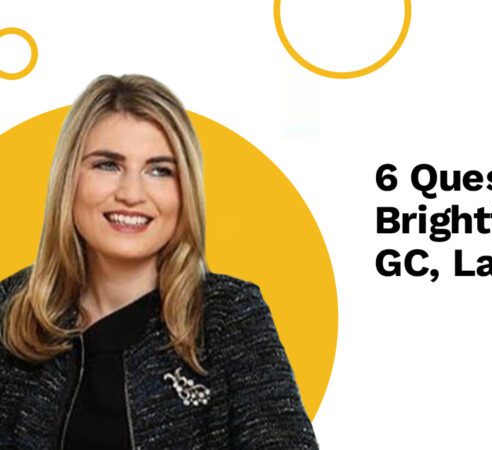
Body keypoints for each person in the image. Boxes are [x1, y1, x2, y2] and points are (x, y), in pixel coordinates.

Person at [0, 74, 318, 449]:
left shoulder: (229, 316)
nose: (132, 194)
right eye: (108, 165)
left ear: (184, 191)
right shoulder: (12, 311)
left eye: (159, 171)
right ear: (70, 179)